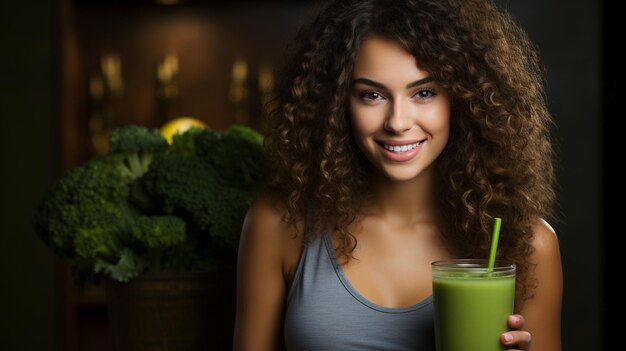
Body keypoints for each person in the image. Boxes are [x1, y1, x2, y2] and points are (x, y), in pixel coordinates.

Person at [233, 0, 562, 350]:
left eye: (424, 93)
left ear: (463, 99)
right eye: (372, 95)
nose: (398, 122)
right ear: (336, 104)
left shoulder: (528, 245)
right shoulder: (279, 224)